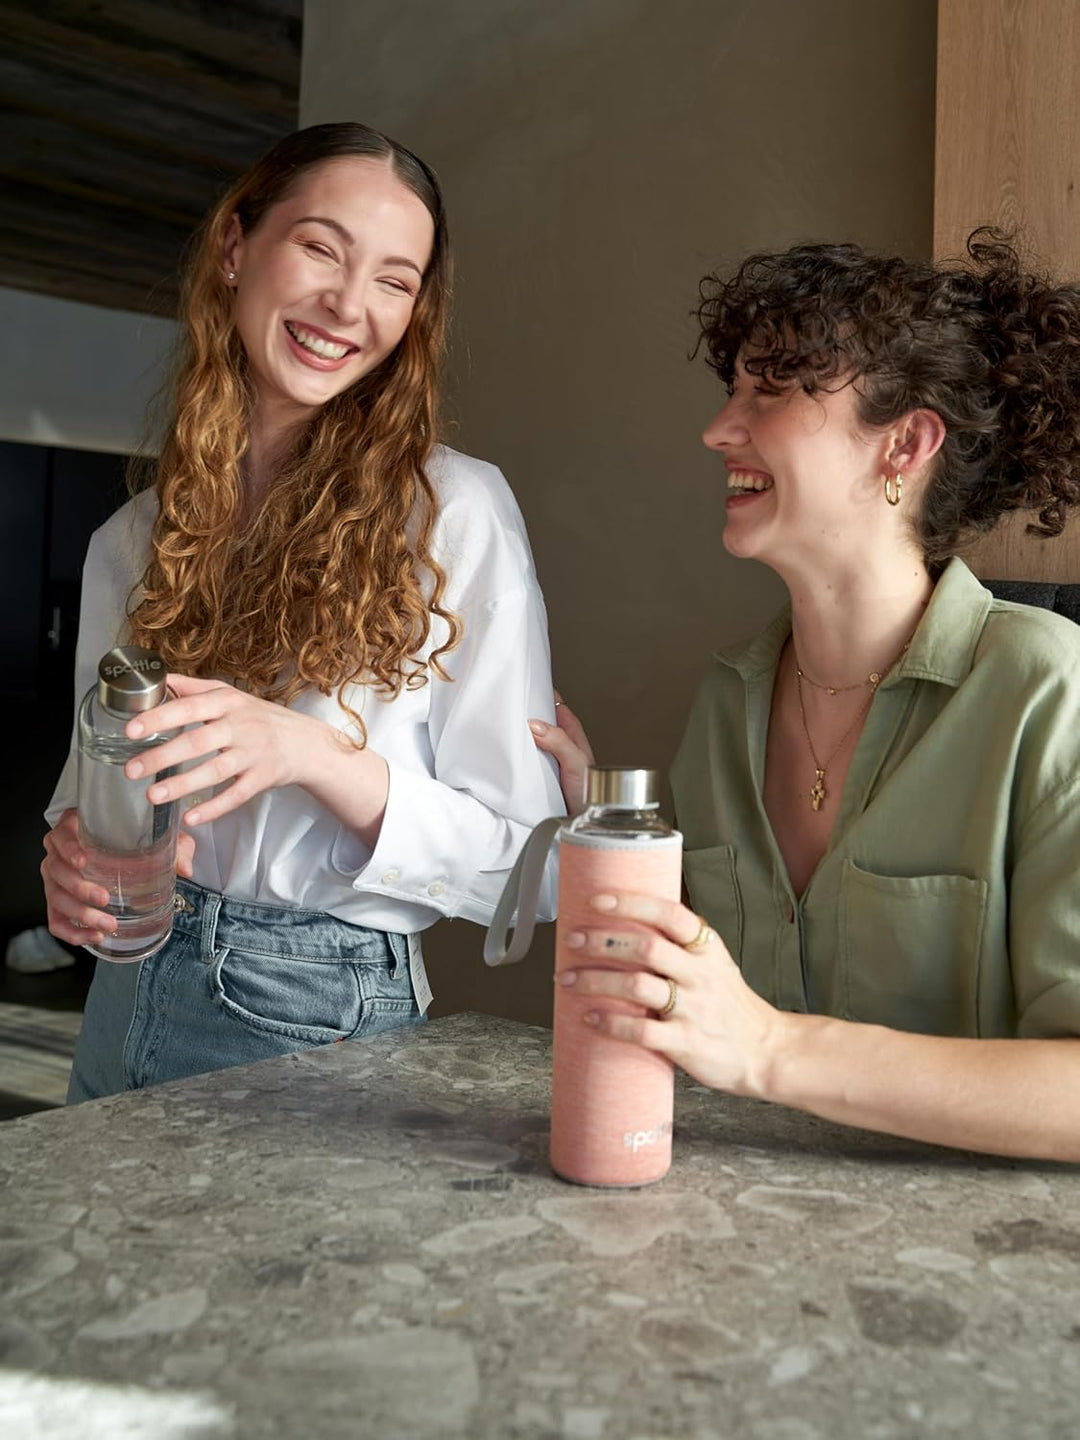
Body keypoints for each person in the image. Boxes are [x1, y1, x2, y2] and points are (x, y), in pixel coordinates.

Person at [531, 231, 1080, 1162]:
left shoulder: (1048, 691)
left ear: (905, 443)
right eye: (734, 388)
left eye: (773, 389)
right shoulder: (726, 701)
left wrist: (772, 1050)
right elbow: (701, 1003)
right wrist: (610, 834)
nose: (719, 429)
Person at [43, 122, 563, 1101]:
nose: (348, 304)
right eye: (322, 248)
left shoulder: (454, 515)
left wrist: (313, 755)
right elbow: (91, 794)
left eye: (393, 281)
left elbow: (532, 872)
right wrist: (72, 860)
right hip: (121, 1000)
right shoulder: (130, 540)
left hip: (318, 1012)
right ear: (235, 247)